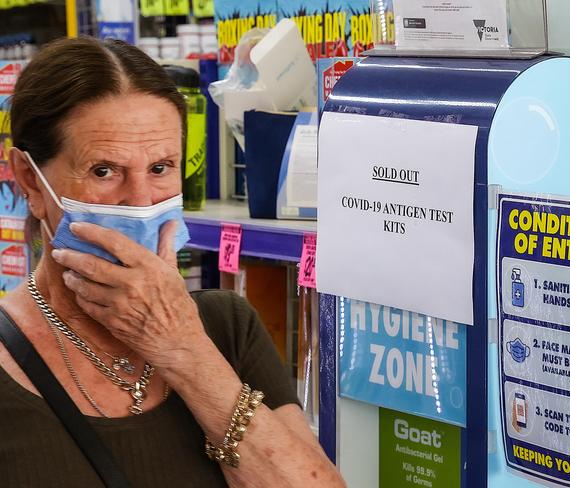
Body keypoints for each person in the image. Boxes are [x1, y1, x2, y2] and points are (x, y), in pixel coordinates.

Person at [0, 36, 345, 488]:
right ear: (30, 180)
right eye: (104, 170)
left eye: (161, 167)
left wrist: (184, 350)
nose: (142, 202)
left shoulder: (225, 327)